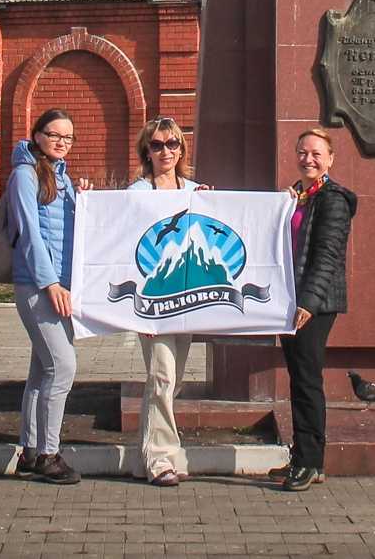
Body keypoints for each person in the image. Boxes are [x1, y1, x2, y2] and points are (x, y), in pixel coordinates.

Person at [6, 108, 90, 485]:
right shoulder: (24, 175)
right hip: (38, 287)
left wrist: (82, 198)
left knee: (42, 371)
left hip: (62, 287)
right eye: (55, 134)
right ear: (37, 135)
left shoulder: (63, 178)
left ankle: (29, 451)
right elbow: (28, 234)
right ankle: (49, 455)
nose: (61, 142)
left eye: (68, 137)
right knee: (63, 366)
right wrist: (50, 283)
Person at [126, 117, 210, 487]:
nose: (166, 151)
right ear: (147, 149)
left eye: (173, 144)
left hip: (187, 301)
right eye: (158, 145)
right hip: (152, 301)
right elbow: (122, 247)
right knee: (161, 375)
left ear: (182, 149)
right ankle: (161, 458)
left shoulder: (195, 190)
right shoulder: (137, 193)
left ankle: (146, 455)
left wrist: (212, 203)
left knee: (169, 380)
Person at [273, 127, 355, 491]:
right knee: (299, 378)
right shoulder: (298, 196)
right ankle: (305, 457)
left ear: (330, 159)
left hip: (313, 305)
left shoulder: (333, 200)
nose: (308, 159)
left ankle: (309, 461)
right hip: (290, 301)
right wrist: (280, 208)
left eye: (316, 153)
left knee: (307, 380)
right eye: (303, 152)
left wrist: (308, 301)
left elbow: (327, 256)